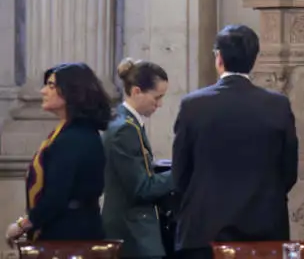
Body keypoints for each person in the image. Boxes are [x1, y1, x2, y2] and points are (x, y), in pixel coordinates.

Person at [172, 25, 299, 259]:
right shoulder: (277, 105)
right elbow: (288, 171)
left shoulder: (193, 105)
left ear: (219, 58)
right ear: (255, 59)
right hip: (264, 229)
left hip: (204, 229)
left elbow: (180, 173)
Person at [5, 63, 111, 245]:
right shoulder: (73, 131)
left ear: (71, 91)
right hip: (71, 228)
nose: (43, 91)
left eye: (51, 86)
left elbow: (56, 196)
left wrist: (22, 225)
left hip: (69, 235)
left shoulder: (74, 137)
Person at [104, 58, 176, 259]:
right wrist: (181, 171)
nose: (160, 104)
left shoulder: (127, 123)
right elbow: (141, 188)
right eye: (157, 97)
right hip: (132, 234)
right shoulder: (125, 129)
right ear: (136, 91)